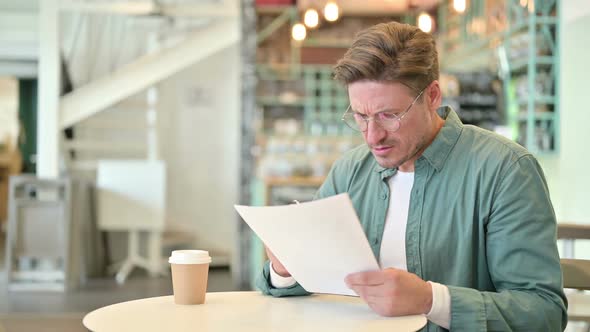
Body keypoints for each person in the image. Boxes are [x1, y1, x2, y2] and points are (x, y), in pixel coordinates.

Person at [256, 21, 567, 331]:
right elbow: (305, 285)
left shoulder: (505, 170)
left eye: (389, 116)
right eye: (361, 116)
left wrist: (431, 300)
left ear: (432, 96)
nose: (372, 136)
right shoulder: (349, 172)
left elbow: (542, 312)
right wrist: (285, 270)